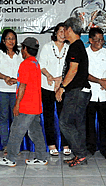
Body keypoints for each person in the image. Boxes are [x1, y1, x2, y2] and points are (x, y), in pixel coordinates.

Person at [0, 37, 48, 167]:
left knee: (16, 130)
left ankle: (11, 159)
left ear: (25, 49)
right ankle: (41, 157)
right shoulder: (36, 64)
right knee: (36, 132)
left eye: (22, 48)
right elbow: (27, 82)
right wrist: (16, 81)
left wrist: (17, 104)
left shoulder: (24, 64)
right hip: (35, 105)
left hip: (26, 105)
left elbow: (23, 87)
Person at [55, 17, 91, 167]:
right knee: (77, 125)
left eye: (64, 30)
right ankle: (80, 155)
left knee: (64, 123)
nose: (63, 33)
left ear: (70, 29)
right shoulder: (78, 45)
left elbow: (73, 69)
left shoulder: (76, 46)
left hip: (76, 91)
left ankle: (81, 154)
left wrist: (61, 87)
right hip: (81, 91)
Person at [37, 23, 71, 156]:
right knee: (49, 116)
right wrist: (50, 76)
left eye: (65, 31)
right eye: (60, 31)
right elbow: (42, 65)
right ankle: (51, 145)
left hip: (63, 87)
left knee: (64, 117)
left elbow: (70, 68)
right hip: (47, 86)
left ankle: (66, 144)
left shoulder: (69, 48)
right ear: (55, 33)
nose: (62, 34)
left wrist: (60, 80)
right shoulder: (47, 47)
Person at [85, 27, 106, 159]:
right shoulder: (85, 53)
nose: (100, 42)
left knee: (105, 124)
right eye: (97, 40)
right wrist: (99, 81)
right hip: (89, 94)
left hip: (105, 95)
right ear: (90, 40)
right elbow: (83, 74)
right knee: (88, 124)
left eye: (101, 40)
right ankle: (89, 148)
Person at [0, 29, 22, 154]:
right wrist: (5, 78)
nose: (11, 41)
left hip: (16, 90)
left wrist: (17, 80)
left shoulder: (20, 55)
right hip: (1, 90)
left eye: (13, 38)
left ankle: (15, 145)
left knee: (16, 119)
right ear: (3, 40)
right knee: (3, 118)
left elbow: (24, 71)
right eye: (8, 38)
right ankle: (6, 146)